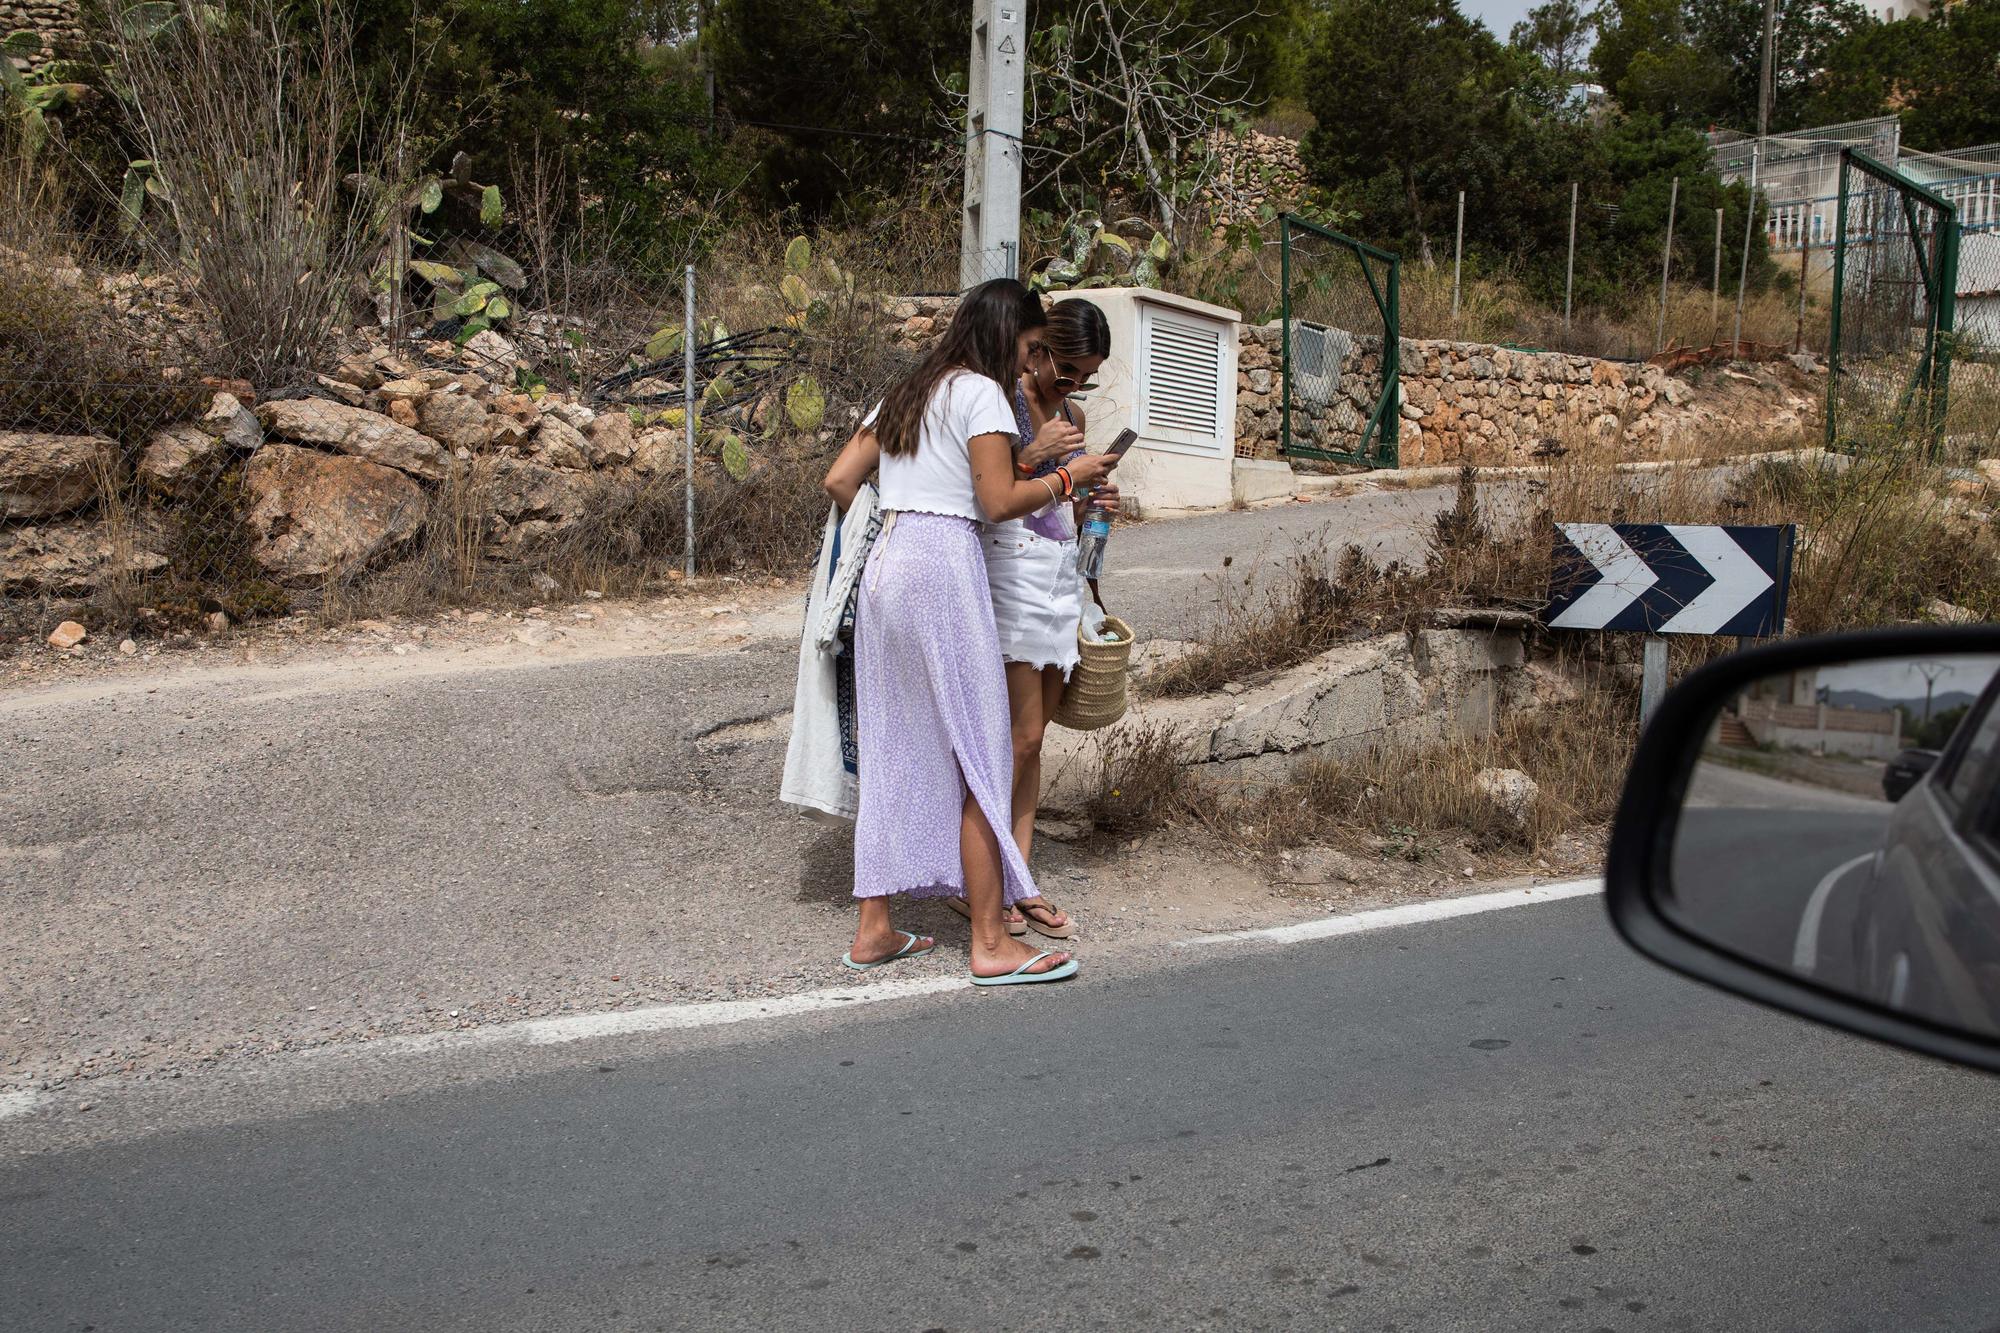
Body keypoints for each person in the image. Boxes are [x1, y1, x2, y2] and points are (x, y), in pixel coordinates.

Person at [822, 279, 1121, 985]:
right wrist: (1070, 479)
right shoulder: (981, 393)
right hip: (944, 563)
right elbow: (998, 500)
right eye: (1029, 347)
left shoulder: (908, 389)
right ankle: (991, 941)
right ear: (1003, 337)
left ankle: (874, 928)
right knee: (986, 750)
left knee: (894, 744)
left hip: (886, 564)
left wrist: (903, 507)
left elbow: (840, 479)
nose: (1031, 361)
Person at [959, 297, 1115, 941]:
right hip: (1011, 576)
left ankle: (1019, 876)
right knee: (1017, 737)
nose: (1073, 387)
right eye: (1068, 370)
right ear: (1044, 347)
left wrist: (1093, 498)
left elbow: (1062, 505)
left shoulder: (1073, 413)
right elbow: (985, 492)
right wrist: (1038, 451)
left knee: (1036, 738)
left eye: (1087, 377)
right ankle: (987, 886)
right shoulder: (1003, 399)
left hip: (1059, 576)